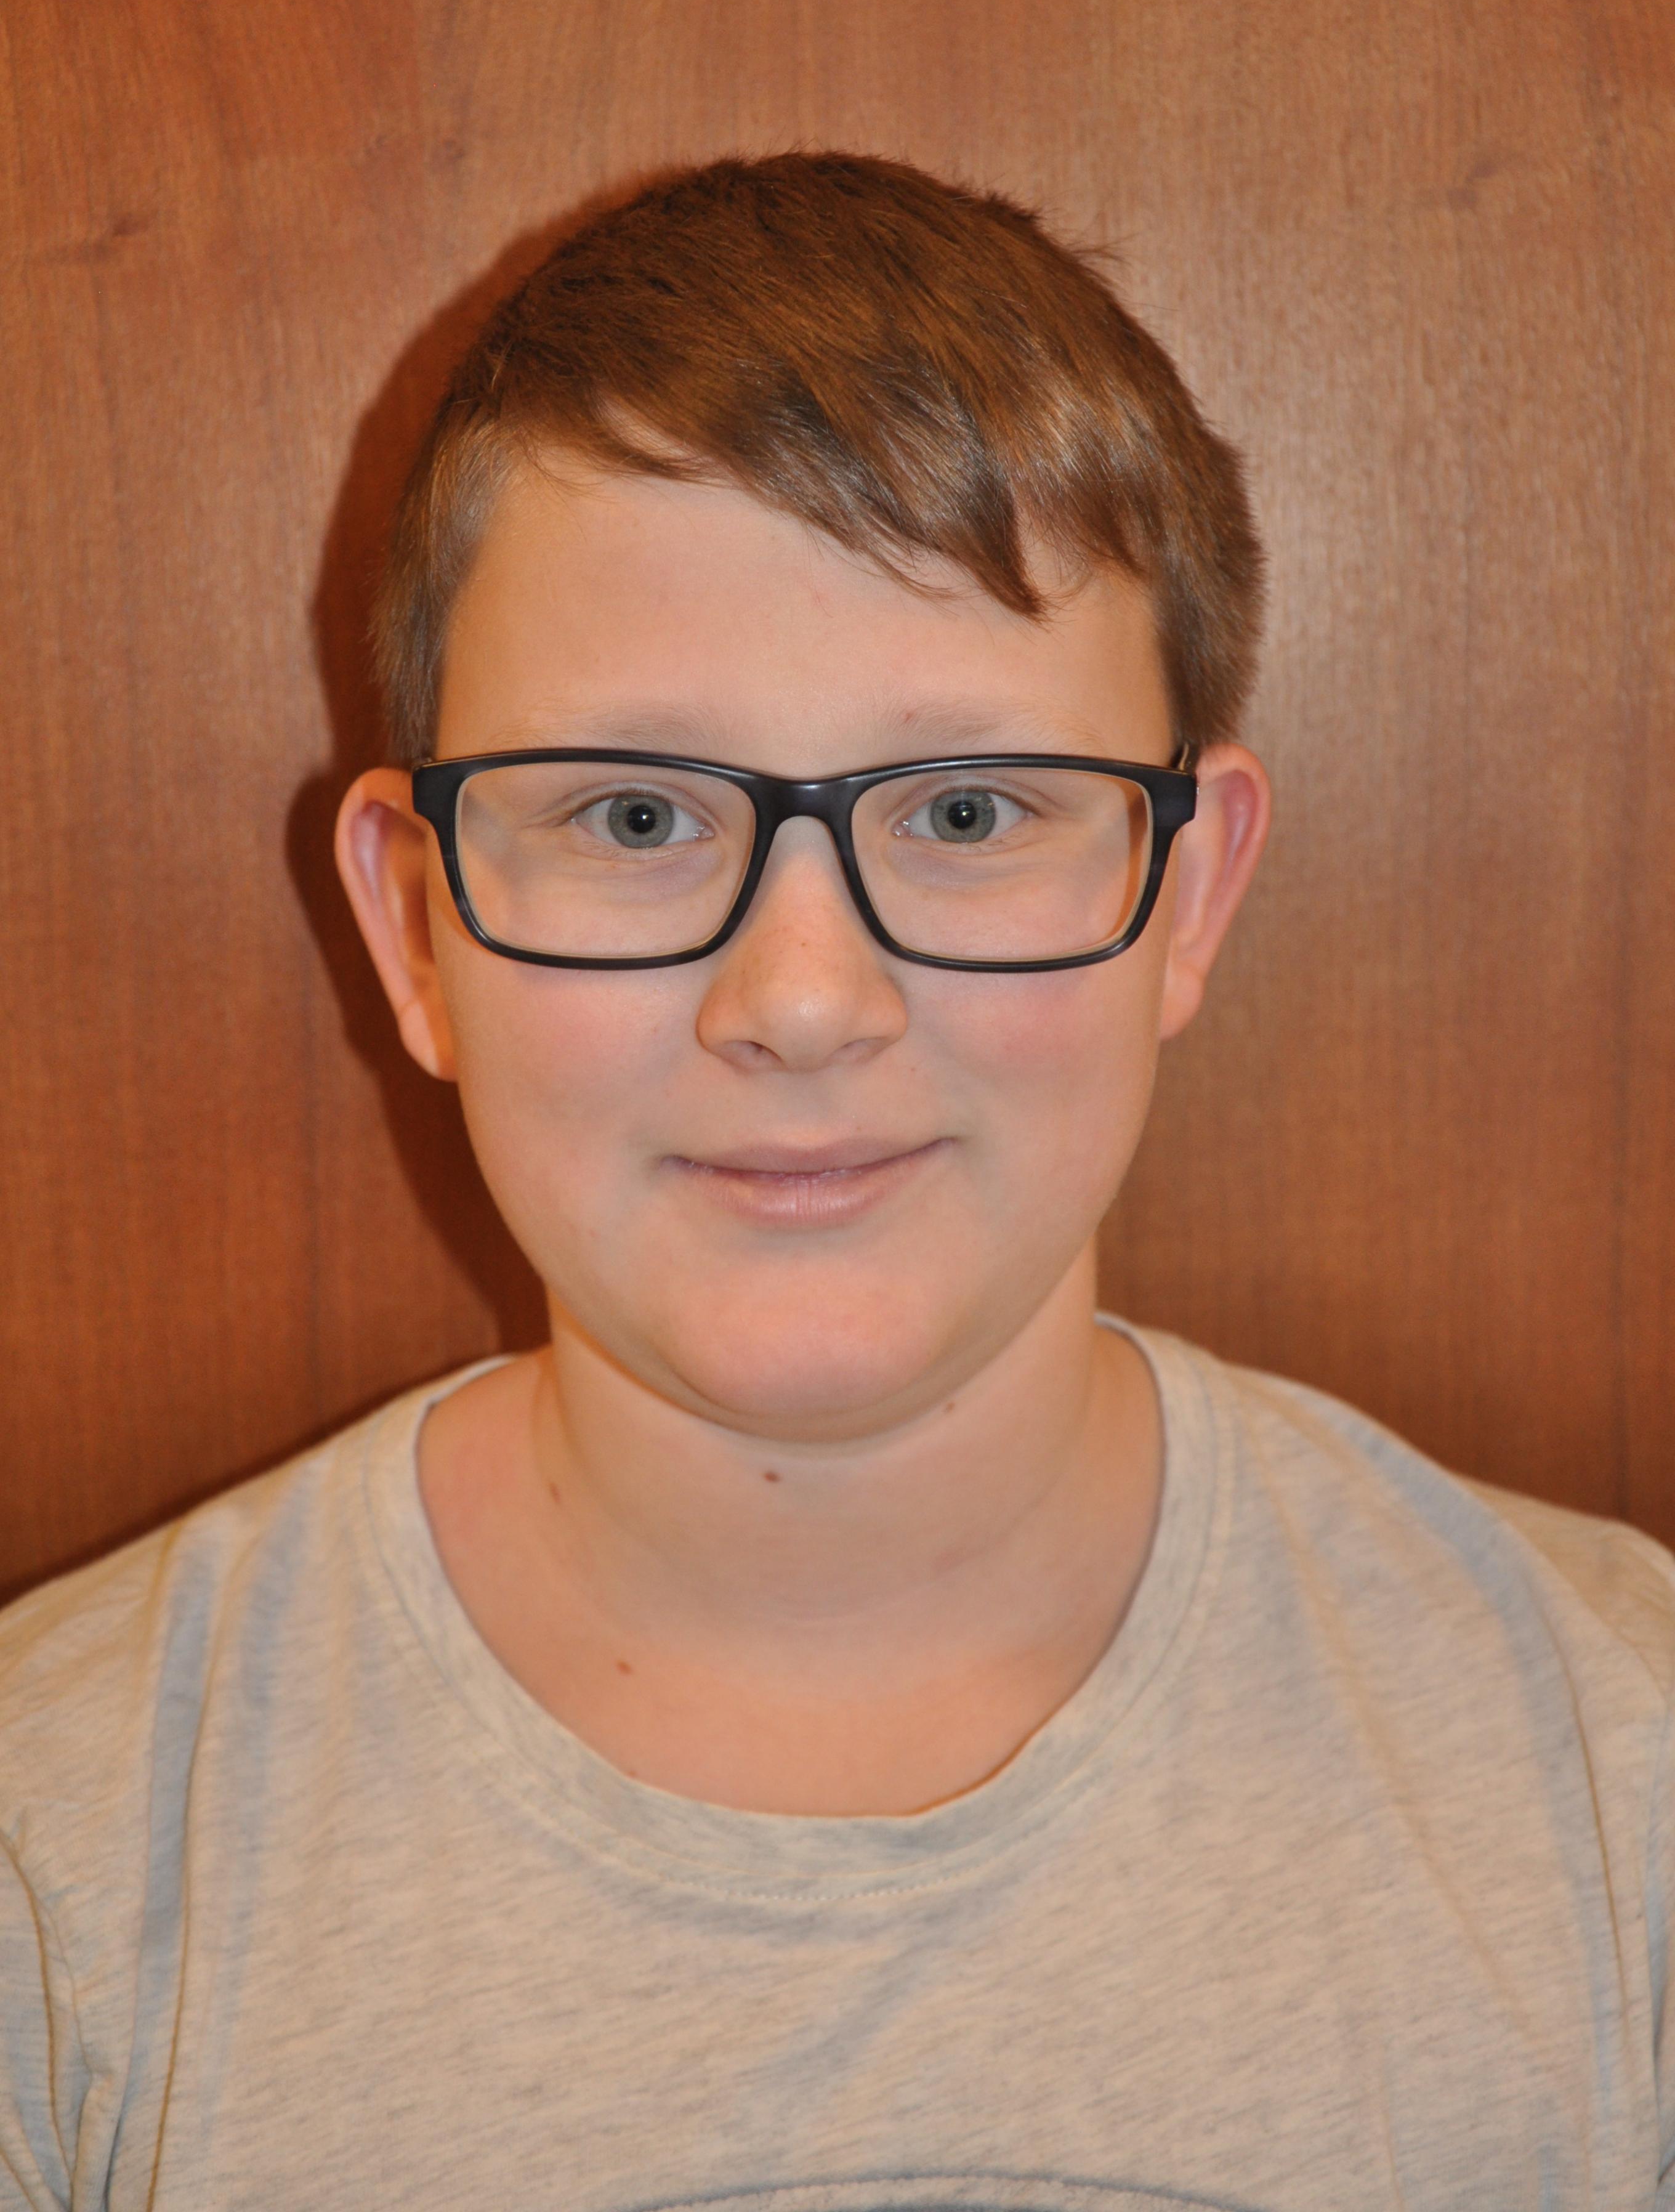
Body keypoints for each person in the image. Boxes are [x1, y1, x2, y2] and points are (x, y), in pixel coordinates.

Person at [1, 153, 1669, 2211]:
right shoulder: (58, 1874)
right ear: (416, 929)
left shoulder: (1621, 1784)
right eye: (633, 816)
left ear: (1189, 895)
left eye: (967, 810)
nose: (801, 1001)